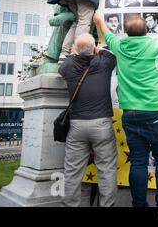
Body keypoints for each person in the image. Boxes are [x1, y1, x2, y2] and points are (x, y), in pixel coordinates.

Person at [93, 11, 158, 207]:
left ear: (126, 32)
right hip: (156, 113)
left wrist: (98, 20)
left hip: (129, 114)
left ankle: (139, 205)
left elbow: (106, 32)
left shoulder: (120, 45)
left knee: (138, 162)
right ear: (148, 30)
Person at [58, 33, 117, 207]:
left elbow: (62, 63)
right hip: (102, 125)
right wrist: (96, 49)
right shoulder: (105, 62)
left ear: (76, 49)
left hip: (77, 125)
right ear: (94, 49)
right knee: (107, 170)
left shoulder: (68, 64)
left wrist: (74, 52)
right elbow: (109, 52)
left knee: (72, 172)